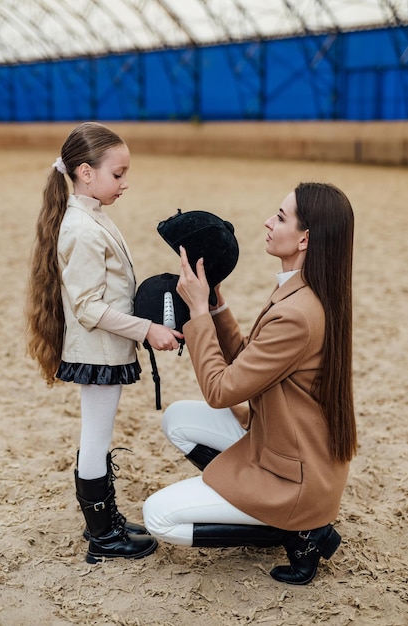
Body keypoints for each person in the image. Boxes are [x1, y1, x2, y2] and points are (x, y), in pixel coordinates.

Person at [143, 182, 357, 585]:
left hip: (296, 478)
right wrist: (215, 302)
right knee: (178, 419)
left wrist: (195, 313)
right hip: (282, 446)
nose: (267, 222)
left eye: (279, 217)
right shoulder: (303, 291)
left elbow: (221, 389)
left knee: (159, 516)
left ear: (305, 238)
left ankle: (298, 531)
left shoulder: (298, 314)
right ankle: (273, 512)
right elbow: (248, 361)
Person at [25, 122, 183, 564]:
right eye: (118, 173)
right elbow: (89, 308)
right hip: (96, 352)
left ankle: (105, 521)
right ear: (85, 172)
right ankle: (103, 535)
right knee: (95, 438)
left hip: (105, 349)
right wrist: (147, 330)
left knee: (98, 435)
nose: (125, 182)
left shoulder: (92, 216)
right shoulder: (82, 227)